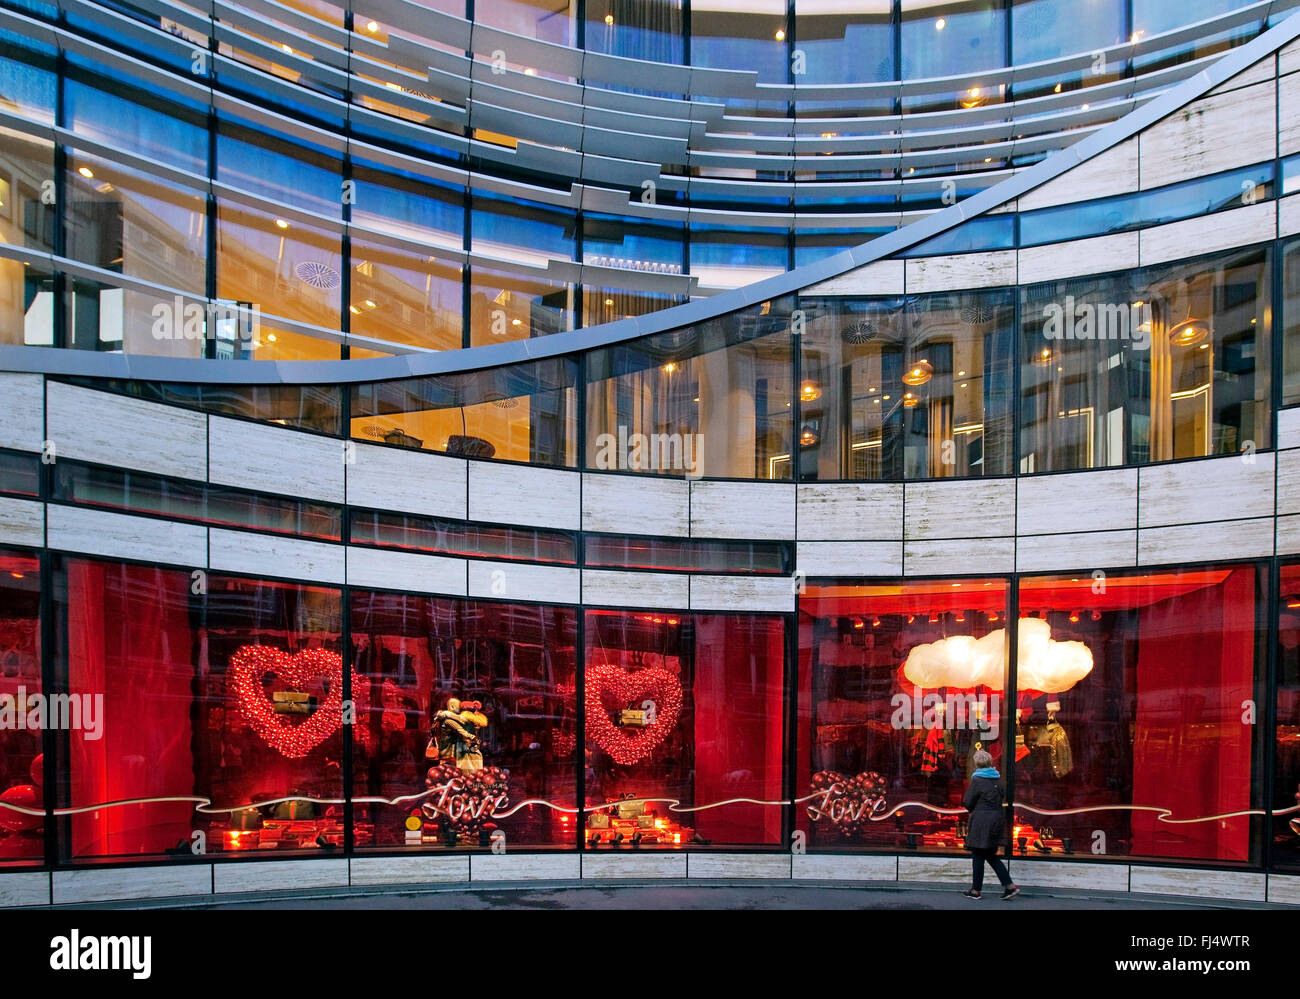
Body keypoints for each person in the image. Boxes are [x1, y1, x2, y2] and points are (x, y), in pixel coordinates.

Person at [961, 749, 1020, 900]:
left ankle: (976, 890)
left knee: (978, 855)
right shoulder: (997, 780)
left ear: (976, 763)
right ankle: (1009, 886)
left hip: (982, 822)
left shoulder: (977, 780)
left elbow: (967, 801)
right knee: (989, 855)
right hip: (996, 820)